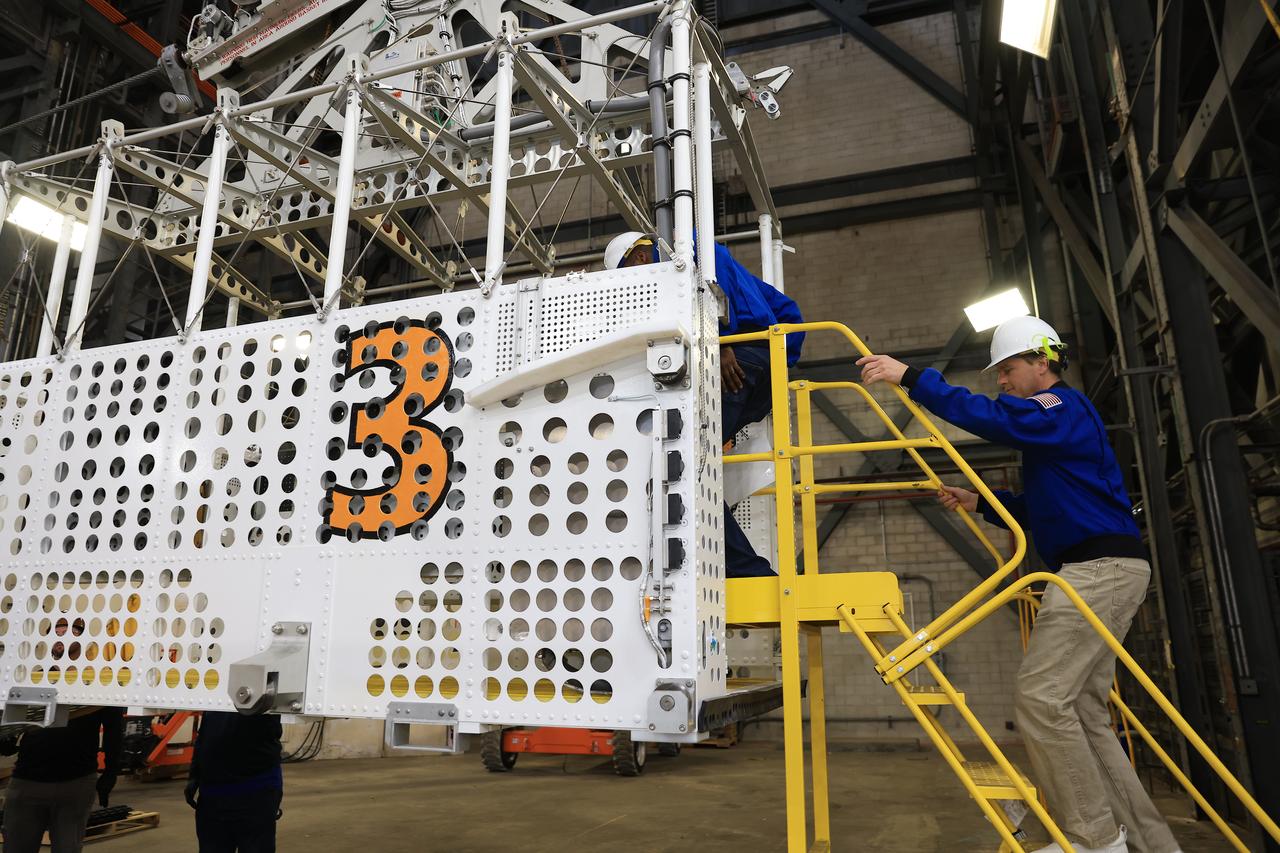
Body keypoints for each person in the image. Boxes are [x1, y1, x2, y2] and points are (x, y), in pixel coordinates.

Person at [855, 315, 1182, 853]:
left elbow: (994, 418)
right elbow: (1045, 508)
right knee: (1080, 710)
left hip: (1098, 570)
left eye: (1007, 369)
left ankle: (1093, 839)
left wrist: (911, 376)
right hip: (1102, 566)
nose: (1001, 380)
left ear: (1042, 361)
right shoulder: (1058, 431)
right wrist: (981, 500)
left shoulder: (1060, 408)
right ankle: (1149, 843)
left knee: (1041, 697)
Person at [604, 231, 804, 578]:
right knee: (694, 465)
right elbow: (788, 311)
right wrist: (781, 357)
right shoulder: (703, 254)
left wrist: (725, 343)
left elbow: (712, 284)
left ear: (637, 259)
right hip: (762, 364)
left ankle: (748, 571)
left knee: (678, 470)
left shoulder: (683, 250)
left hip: (737, 362)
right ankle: (739, 565)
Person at [0, 706, 124, 853]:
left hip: (75, 783)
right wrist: (7, 734)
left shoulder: (98, 686)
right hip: (29, 779)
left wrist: (111, 770)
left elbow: (114, 727)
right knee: (17, 847)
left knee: (67, 847)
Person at [185, 711, 284, 853]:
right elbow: (205, 733)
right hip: (213, 795)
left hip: (255, 792)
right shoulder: (214, 694)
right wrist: (194, 773)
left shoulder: (266, 693)